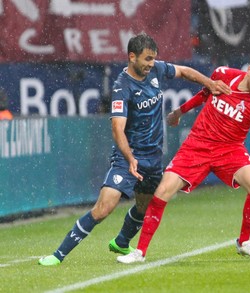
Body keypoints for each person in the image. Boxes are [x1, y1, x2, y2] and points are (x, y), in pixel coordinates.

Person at [38, 33, 230, 266]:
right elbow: (118, 129)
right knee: (103, 208)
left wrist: (209, 84)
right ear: (132, 56)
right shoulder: (122, 88)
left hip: (152, 159)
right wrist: (129, 158)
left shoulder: (157, 70)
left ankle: (121, 241)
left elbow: (183, 71)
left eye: (153, 59)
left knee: (145, 206)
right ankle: (58, 255)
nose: (151, 64)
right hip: (127, 159)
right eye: (147, 59)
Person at [117, 52, 250, 264]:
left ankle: (244, 242)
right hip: (198, 144)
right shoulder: (223, 75)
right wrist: (180, 111)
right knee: (162, 191)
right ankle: (139, 252)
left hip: (230, 150)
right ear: (249, 70)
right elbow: (205, 94)